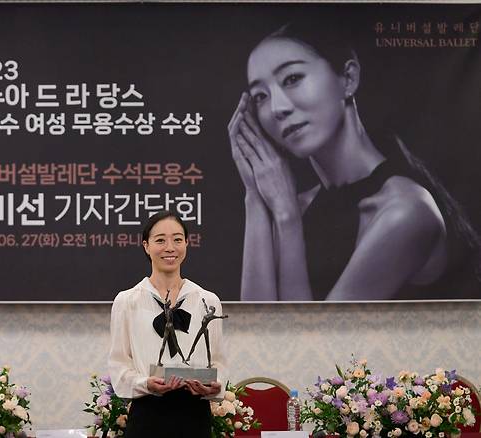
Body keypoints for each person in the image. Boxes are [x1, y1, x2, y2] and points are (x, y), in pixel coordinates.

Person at [230, 21, 481, 301]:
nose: (277, 108)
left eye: (292, 79)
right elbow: (253, 331)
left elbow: (305, 342)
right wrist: (254, 196)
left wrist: (286, 219)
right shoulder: (292, 206)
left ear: (347, 79)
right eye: (260, 96)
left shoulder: (405, 211)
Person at [108, 210, 226, 438]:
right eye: (160, 240)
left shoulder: (207, 300)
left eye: (177, 239)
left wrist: (214, 385)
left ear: (187, 244)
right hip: (147, 414)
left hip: (195, 416)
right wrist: (145, 383)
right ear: (146, 246)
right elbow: (119, 363)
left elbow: (219, 361)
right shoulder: (127, 301)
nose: (170, 247)